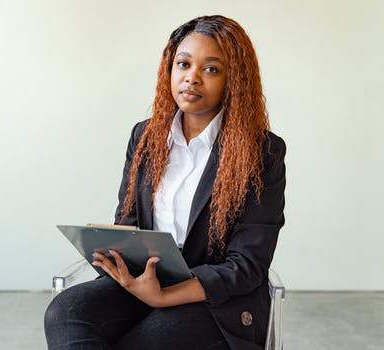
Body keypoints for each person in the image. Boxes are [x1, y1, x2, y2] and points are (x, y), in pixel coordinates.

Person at [44, 15, 286, 350]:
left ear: (234, 80)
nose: (192, 78)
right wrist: (113, 253)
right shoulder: (145, 136)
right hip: (145, 282)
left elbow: (247, 265)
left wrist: (164, 297)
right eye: (183, 64)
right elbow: (127, 224)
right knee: (66, 311)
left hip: (218, 302)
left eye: (211, 69)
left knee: (145, 340)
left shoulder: (263, 151)